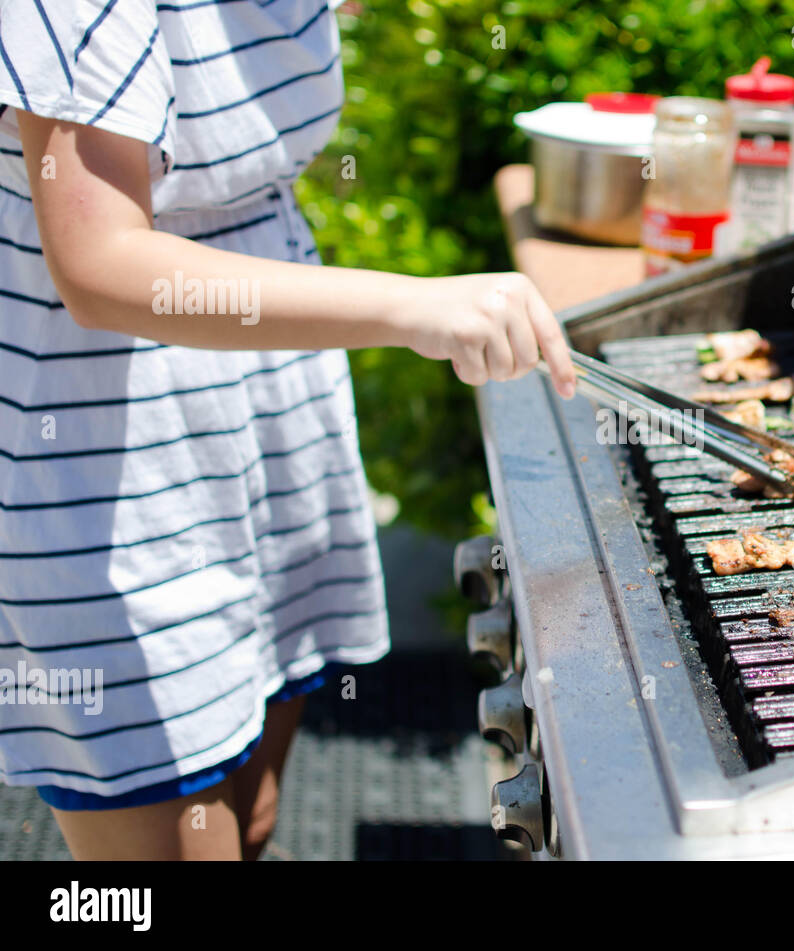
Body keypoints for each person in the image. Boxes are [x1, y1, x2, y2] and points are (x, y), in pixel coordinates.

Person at [0, 0, 576, 860]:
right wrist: (412, 304)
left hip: (270, 421)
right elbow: (99, 263)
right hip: (115, 458)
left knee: (253, 814)